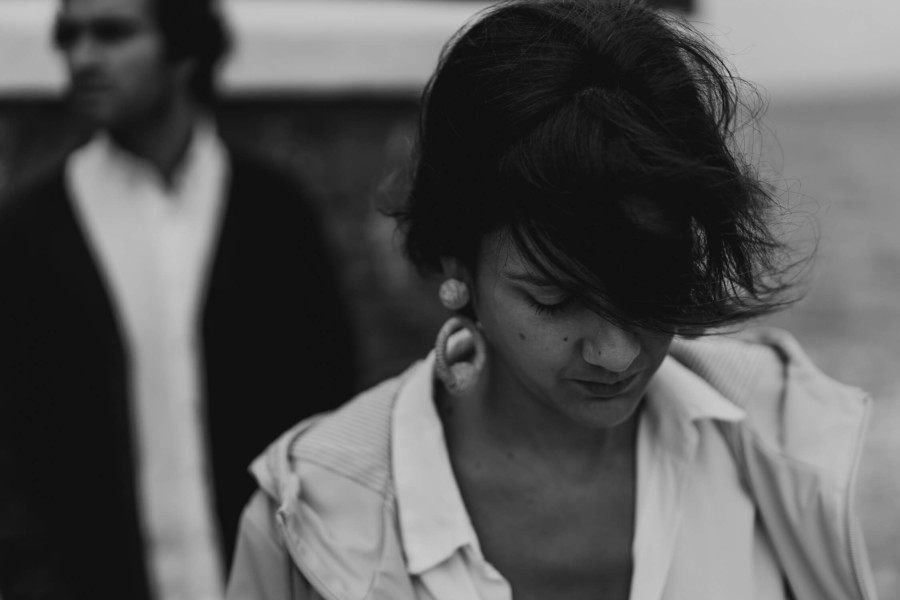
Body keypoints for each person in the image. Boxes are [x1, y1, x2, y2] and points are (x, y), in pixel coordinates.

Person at [226, 1, 878, 599]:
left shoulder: (791, 444)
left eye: (650, 287)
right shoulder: (310, 514)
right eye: (555, 298)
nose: (617, 349)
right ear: (457, 261)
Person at [0, 0, 355, 598]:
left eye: (112, 34)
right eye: (69, 37)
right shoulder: (30, 232)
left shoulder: (273, 212)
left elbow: (330, 409)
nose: (82, 58)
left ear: (185, 49)